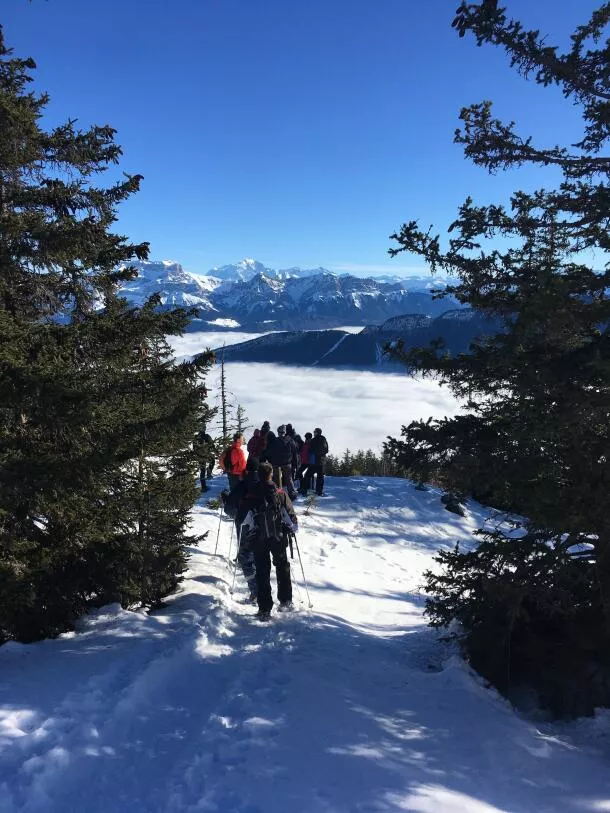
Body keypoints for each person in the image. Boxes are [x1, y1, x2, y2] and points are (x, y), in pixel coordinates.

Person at [240, 461, 298, 619]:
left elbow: (242, 519)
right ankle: (285, 601)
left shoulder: (252, 494)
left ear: (258, 475)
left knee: (262, 571)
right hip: (278, 537)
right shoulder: (280, 493)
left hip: (258, 538)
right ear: (272, 474)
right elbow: (292, 519)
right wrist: (291, 528)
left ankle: (265, 608)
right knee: (282, 567)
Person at [224, 457, 260, 603]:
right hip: (264, 526)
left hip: (244, 525)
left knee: (245, 557)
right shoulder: (265, 483)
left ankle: (255, 590)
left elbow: (229, 508)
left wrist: (227, 501)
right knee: (260, 558)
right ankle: (263, 589)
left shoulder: (242, 485)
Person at [267, 424, 298, 499]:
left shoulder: (275, 441)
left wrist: (271, 461)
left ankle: (277, 494)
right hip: (287, 463)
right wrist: (295, 464)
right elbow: (295, 453)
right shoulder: (290, 440)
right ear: (285, 432)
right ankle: (292, 494)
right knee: (289, 479)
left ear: (278, 432)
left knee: (276, 479)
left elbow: (270, 452)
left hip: (276, 463)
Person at [304, 427, 329, 496]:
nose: (313, 433)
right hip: (322, 461)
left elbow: (310, 450)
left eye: (314, 432)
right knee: (320, 477)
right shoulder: (324, 439)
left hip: (314, 461)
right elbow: (326, 450)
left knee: (307, 475)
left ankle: (306, 489)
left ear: (317, 432)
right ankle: (319, 491)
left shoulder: (313, 440)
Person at [193, 427, 215, 492]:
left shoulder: (195, 437)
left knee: (202, 471)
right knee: (212, 461)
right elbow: (212, 446)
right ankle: (209, 472)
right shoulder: (207, 436)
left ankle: (203, 487)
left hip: (199, 456)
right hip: (207, 455)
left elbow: (194, 448)